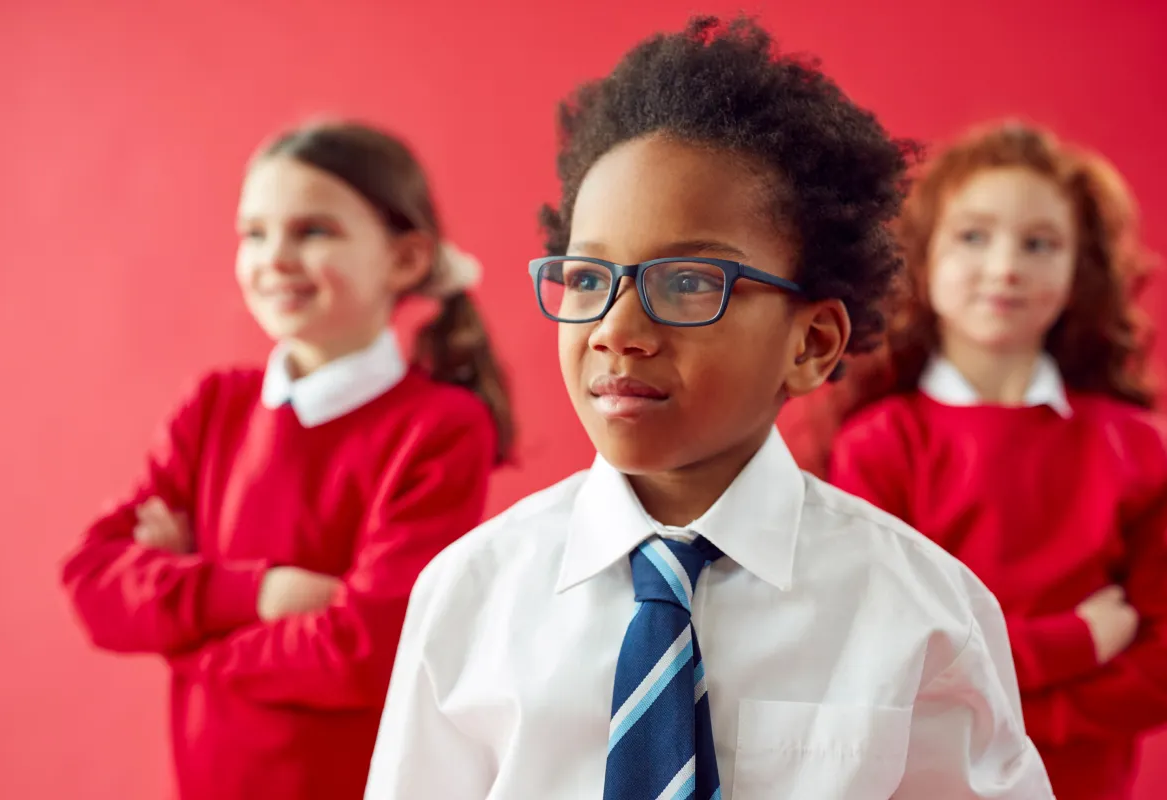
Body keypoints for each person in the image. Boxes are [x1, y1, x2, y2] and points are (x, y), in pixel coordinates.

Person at [365, 18, 1053, 799]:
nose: (617, 331)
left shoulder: (924, 617)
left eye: (689, 281)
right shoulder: (470, 595)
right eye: (589, 278)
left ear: (812, 343)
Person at [60, 121, 512, 800]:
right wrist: (260, 593)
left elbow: (362, 650)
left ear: (406, 259)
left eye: (313, 231)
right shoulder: (212, 406)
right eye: (254, 232)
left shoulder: (440, 427)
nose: (274, 257)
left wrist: (182, 637)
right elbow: (94, 583)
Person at [827, 121, 1167, 800]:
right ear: (921, 262)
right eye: (973, 236)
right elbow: (888, 662)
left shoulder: (1135, 446)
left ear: (1079, 273)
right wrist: (1077, 641)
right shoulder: (878, 446)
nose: (1006, 266)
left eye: (1040, 243)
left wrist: (1019, 718)